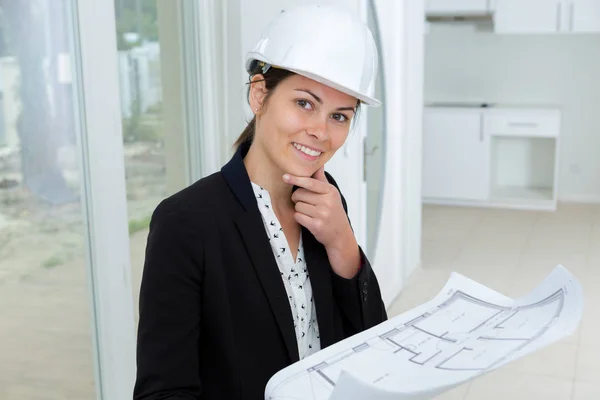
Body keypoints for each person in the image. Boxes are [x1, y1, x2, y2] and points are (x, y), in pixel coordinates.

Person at [133, 4, 387, 400]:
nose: (320, 131)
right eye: (305, 103)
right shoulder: (186, 222)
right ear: (259, 94)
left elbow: (370, 348)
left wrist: (344, 247)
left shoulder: (327, 201)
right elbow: (164, 391)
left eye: (340, 116)